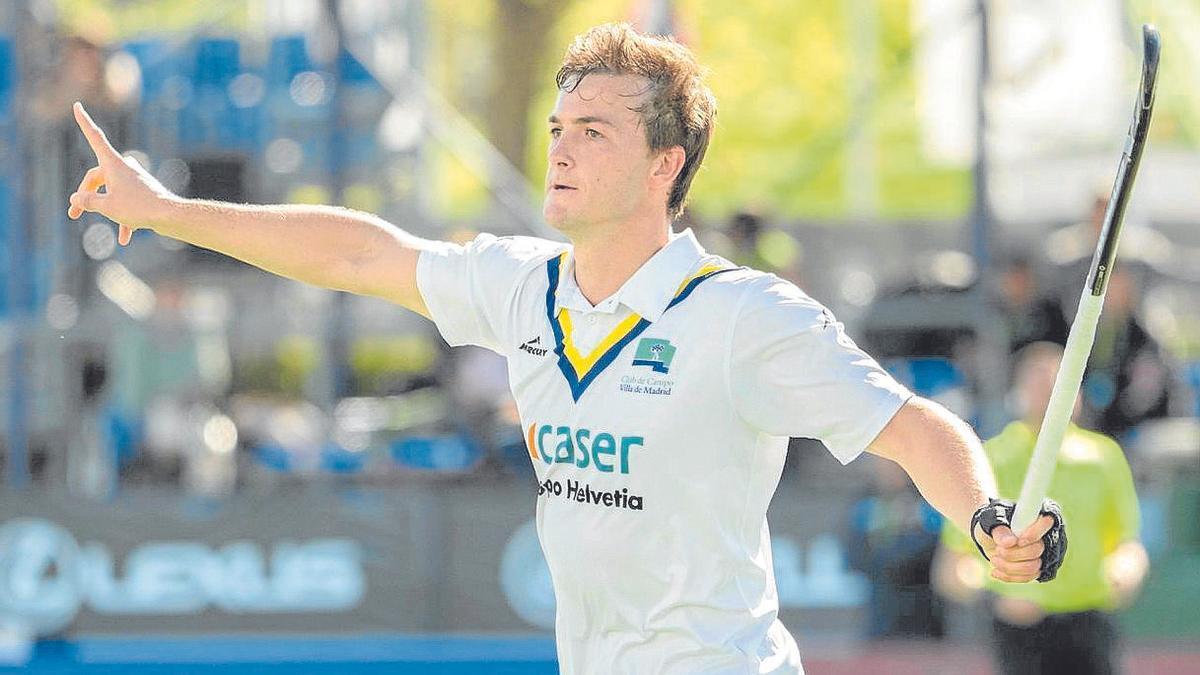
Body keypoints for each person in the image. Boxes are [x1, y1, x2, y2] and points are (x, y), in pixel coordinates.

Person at [66, 23, 1065, 674]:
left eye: (592, 131)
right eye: (557, 127)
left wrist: (985, 518)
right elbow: (358, 251)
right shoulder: (522, 284)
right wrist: (165, 213)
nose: (560, 148)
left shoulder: (745, 318)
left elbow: (913, 427)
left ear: (666, 164)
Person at [934, 342, 1149, 675]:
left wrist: (1124, 573)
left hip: (1090, 620)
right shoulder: (990, 459)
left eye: (1060, 386)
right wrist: (995, 596)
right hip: (1022, 630)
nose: (1050, 396)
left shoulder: (1103, 457)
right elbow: (953, 566)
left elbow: (1127, 543)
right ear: (1018, 392)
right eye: (1040, 385)